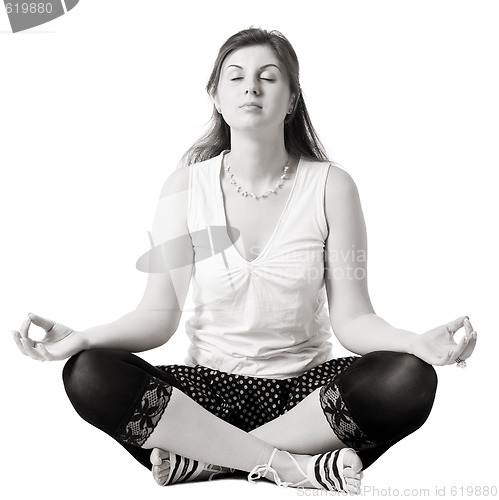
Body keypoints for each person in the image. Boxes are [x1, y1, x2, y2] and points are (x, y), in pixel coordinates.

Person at [12, 27, 477, 494]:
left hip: (308, 401)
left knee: (410, 379)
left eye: (268, 77)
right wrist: (82, 338)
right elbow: (156, 317)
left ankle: (206, 461)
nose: (251, 86)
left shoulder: (333, 187)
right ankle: (299, 467)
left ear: (292, 99)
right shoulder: (185, 189)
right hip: (205, 395)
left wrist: (416, 342)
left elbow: (354, 319)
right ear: (215, 95)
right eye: (235, 77)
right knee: (89, 373)